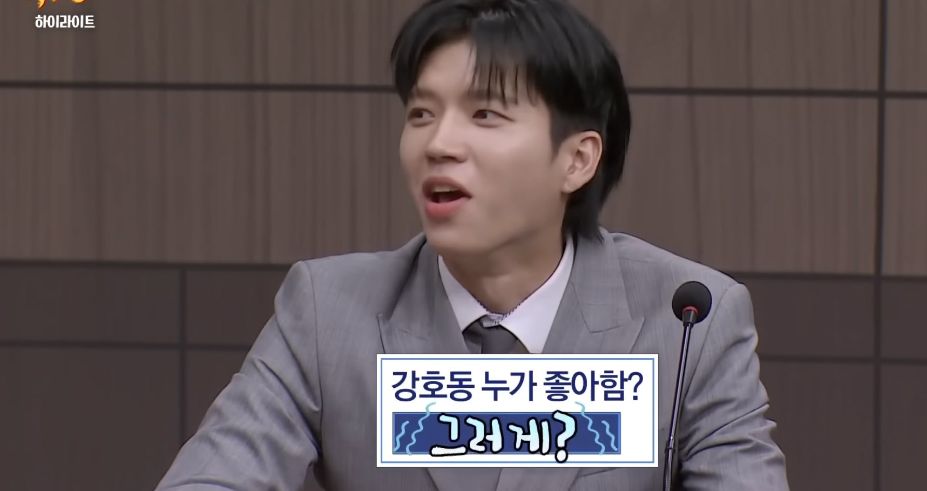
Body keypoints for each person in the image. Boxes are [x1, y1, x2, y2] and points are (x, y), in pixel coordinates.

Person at [157, 0, 788, 489]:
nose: (439, 144)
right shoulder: (327, 312)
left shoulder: (688, 322)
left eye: (485, 114)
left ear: (576, 160)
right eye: (421, 114)